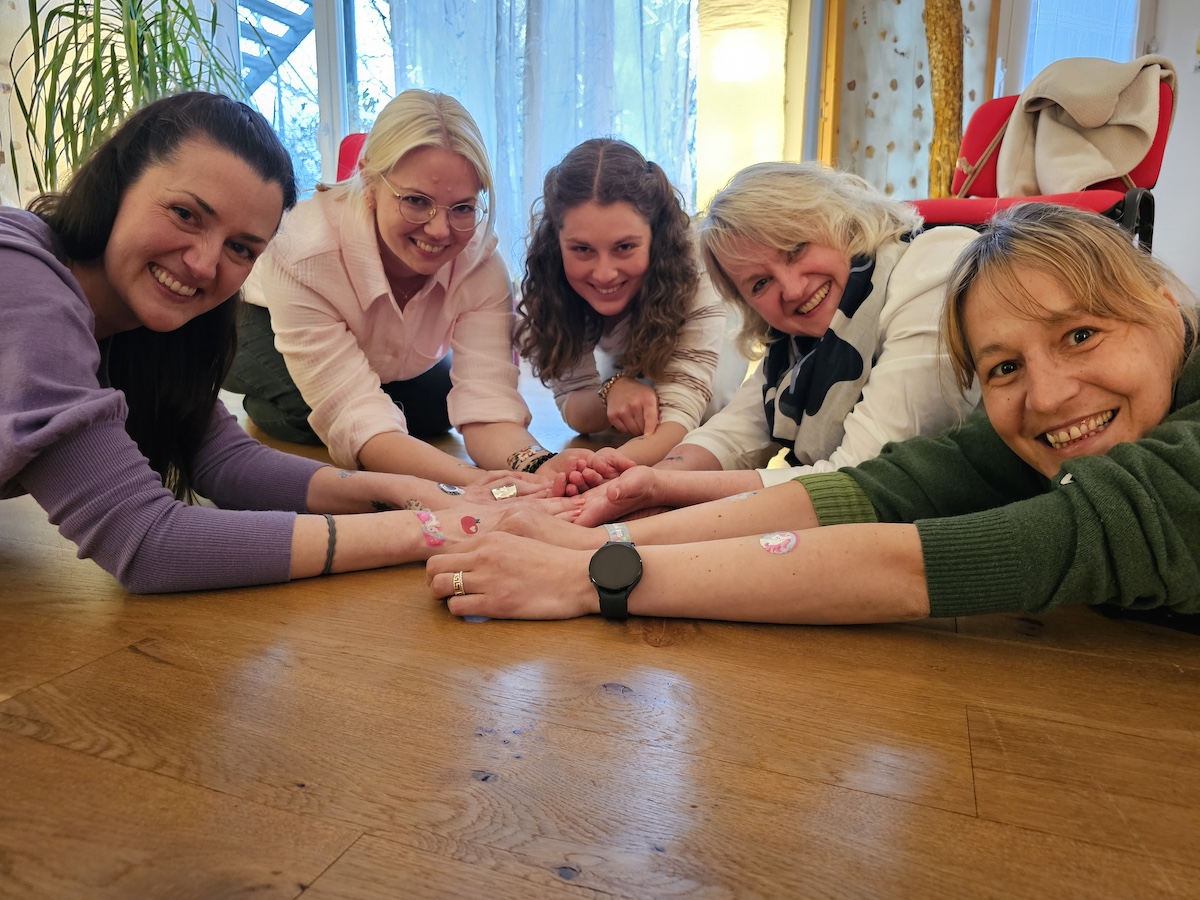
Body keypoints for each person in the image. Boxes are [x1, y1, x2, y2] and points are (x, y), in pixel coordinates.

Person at [427, 203, 1200, 624]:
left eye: (1081, 335)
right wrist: (616, 518)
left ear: (1164, 303)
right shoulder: (796, 353)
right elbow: (869, 491)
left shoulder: (927, 273)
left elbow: (912, 561)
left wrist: (590, 575)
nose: (1050, 395)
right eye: (1005, 368)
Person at [0, 91, 570, 595]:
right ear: (118, 181)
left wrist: (428, 490)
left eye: (241, 248)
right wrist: (440, 526)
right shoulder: (19, 277)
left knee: (426, 404)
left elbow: (224, 460)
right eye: (184, 214)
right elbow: (149, 541)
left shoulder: (152, 327)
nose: (204, 264)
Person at [570, 161, 981, 525]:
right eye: (760, 283)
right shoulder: (794, 343)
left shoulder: (930, 267)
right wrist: (628, 478)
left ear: (840, 219)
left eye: (796, 249)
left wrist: (663, 487)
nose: (792, 289)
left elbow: (859, 477)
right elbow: (733, 435)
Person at [225, 90, 603, 486]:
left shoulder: (481, 264)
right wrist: (479, 485)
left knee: (436, 412)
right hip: (256, 321)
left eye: (462, 207)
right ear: (369, 180)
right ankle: (269, 402)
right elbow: (357, 417)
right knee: (315, 414)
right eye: (416, 201)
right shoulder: (302, 251)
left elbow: (488, 407)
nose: (440, 230)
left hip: (379, 350)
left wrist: (538, 465)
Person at [515, 138, 747, 467]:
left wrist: (598, 472)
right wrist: (612, 390)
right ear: (557, 244)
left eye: (624, 247)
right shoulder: (551, 275)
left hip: (708, 331)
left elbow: (680, 414)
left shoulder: (695, 266)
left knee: (709, 406)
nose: (604, 274)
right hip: (631, 347)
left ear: (656, 238)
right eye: (582, 249)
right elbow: (575, 408)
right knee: (628, 405)